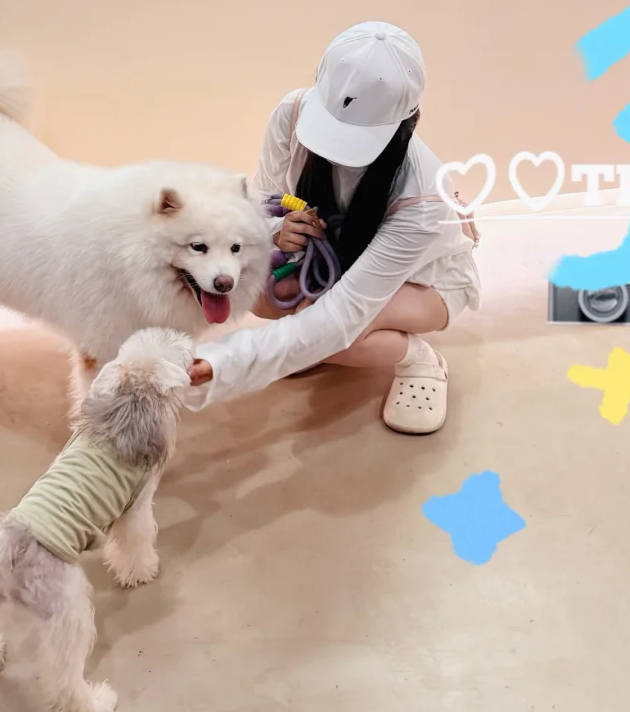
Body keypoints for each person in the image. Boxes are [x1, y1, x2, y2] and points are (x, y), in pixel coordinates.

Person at [186, 22, 481, 434]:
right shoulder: (292, 112)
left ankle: (419, 360)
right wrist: (275, 229)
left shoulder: (422, 195)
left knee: (341, 334)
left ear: (408, 120)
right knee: (255, 288)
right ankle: (312, 344)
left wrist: (230, 360)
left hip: (427, 281)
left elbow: (345, 313)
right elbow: (259, 199)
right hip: (340, 254)